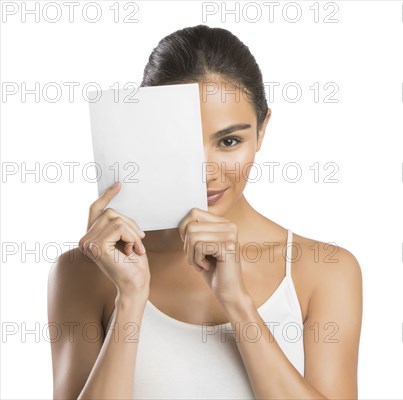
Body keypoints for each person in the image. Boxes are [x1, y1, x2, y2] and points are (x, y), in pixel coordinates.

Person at [48, 24, 362, 399]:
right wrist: (130, 298)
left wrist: (238, 304)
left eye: (229, 141)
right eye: (180, 142)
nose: (206, 171)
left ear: (262, 132)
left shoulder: (324, 269)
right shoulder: (84, 271)